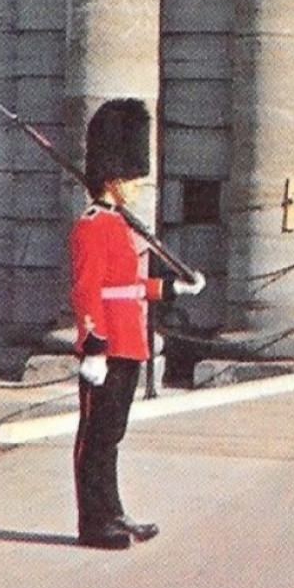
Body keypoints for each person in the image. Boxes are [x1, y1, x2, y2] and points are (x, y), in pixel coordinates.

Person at [70, 98, 204, 550]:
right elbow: (88, 291)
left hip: (128, 343)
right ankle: (95, 523)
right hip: (106, 347)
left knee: (112, 435)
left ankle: (113, 512)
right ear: (113, 178)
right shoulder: (92, 226)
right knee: (96, 440)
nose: (138, 189)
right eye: (133, 180)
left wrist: (172, 289)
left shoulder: (116, 225)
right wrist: (93, 346)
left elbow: (128, 286)